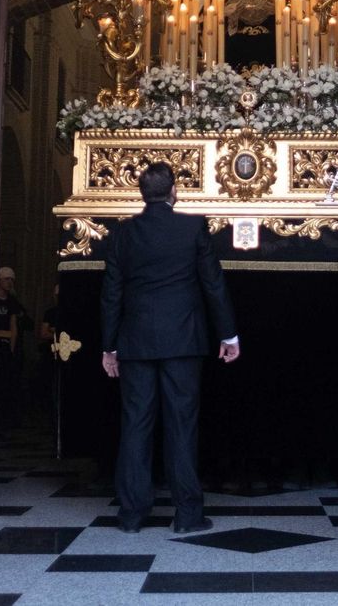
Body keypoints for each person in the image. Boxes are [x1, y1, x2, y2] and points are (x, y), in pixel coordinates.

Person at [100, 162, 240, 533]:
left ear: (141, 193)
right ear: (173, 191)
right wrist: (228, 335)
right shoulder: (193, 226)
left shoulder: (123, 233)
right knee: (181, 427)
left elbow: (111, 294)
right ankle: (188, 515)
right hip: (183, 340)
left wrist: (109, 347)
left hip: (135, 342)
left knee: (135, 427)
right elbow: (213, 284)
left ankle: (131, 515)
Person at [0, 266, 27, 437]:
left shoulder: (12, 303)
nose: (10, 282)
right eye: (7, 279)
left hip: (5, 349)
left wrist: (12, 350)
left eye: (12, 279)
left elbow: (13, 329)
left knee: (5, 384)